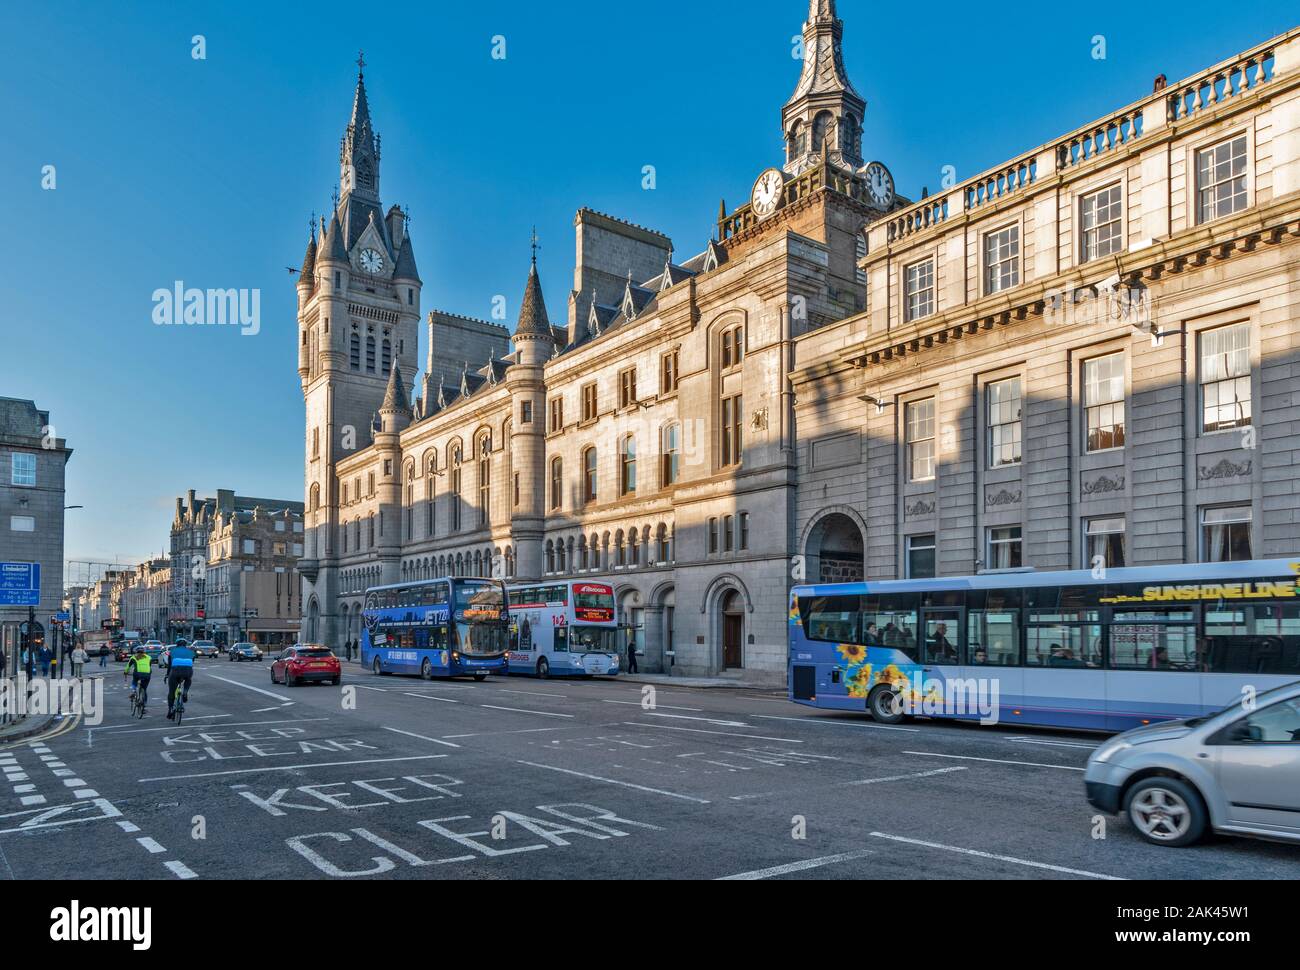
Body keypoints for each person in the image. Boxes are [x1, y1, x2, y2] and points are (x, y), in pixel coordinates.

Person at [165, 639, 196, 721]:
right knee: (188, 679)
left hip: (175, 670)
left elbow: (169, 665)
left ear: (177, 645)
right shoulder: (190, 651)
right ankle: (185, 691)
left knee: (171, 692)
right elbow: (192, 662)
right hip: (187, 670)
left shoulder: (172, 651)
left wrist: (167, 675)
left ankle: (170, 709)